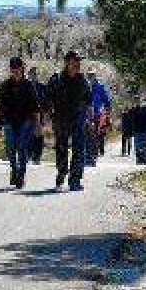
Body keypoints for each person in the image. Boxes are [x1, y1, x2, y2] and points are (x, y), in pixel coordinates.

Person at [47, 51, 91, 191]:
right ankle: (61, 175)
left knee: (79, 150)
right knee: (61, 149)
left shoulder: (83, 81)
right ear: (67, 63)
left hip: (78, 119)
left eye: (78, 61)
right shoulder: (56, 79)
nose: (77, 64)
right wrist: (49, 117)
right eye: (74, 61)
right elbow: (48, 99)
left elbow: (88, 101)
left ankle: (75, 181)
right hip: (61, 119)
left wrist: (89, 118)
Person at [0, 56, 40, 189]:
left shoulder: (28, 85)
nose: (15, 71)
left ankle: (21, 173)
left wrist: (37, 124)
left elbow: (35, 106)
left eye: (18, 68)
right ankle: (14, 169)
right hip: (9, 120)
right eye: (13, 69)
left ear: (22, 69)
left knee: (22, 148)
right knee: (10, 148)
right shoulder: (5, 85)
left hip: (25, 120)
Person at [87, 71, 112, 160]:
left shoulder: (100, 86)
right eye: (89, 76)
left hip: (98, 113)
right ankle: (92, 150)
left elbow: (106, 99)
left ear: (95, 76)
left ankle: (96, 150)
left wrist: (108, 109)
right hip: (87, 114)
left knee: (97, 132)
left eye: (92, 76)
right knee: (90, 132)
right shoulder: (85, 86)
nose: (90, 77)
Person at [27, 65, 46, 165]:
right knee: (28, 134)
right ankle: (28, 155)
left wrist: (46, 114)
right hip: (28, 114)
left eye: (34, 74)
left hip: (40, 113)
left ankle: (37, 156)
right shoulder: (25, 87)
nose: (33, 75)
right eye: (31, 73)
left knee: (39, 135)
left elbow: (46, 100)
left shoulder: (42, 87)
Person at [131, 98, 146, 165]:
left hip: (137, 130)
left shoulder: (135, 110)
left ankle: (139, 159)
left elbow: (132, 120)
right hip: (144, 130)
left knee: (137, 145)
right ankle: (143, 159)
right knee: (143, 145)